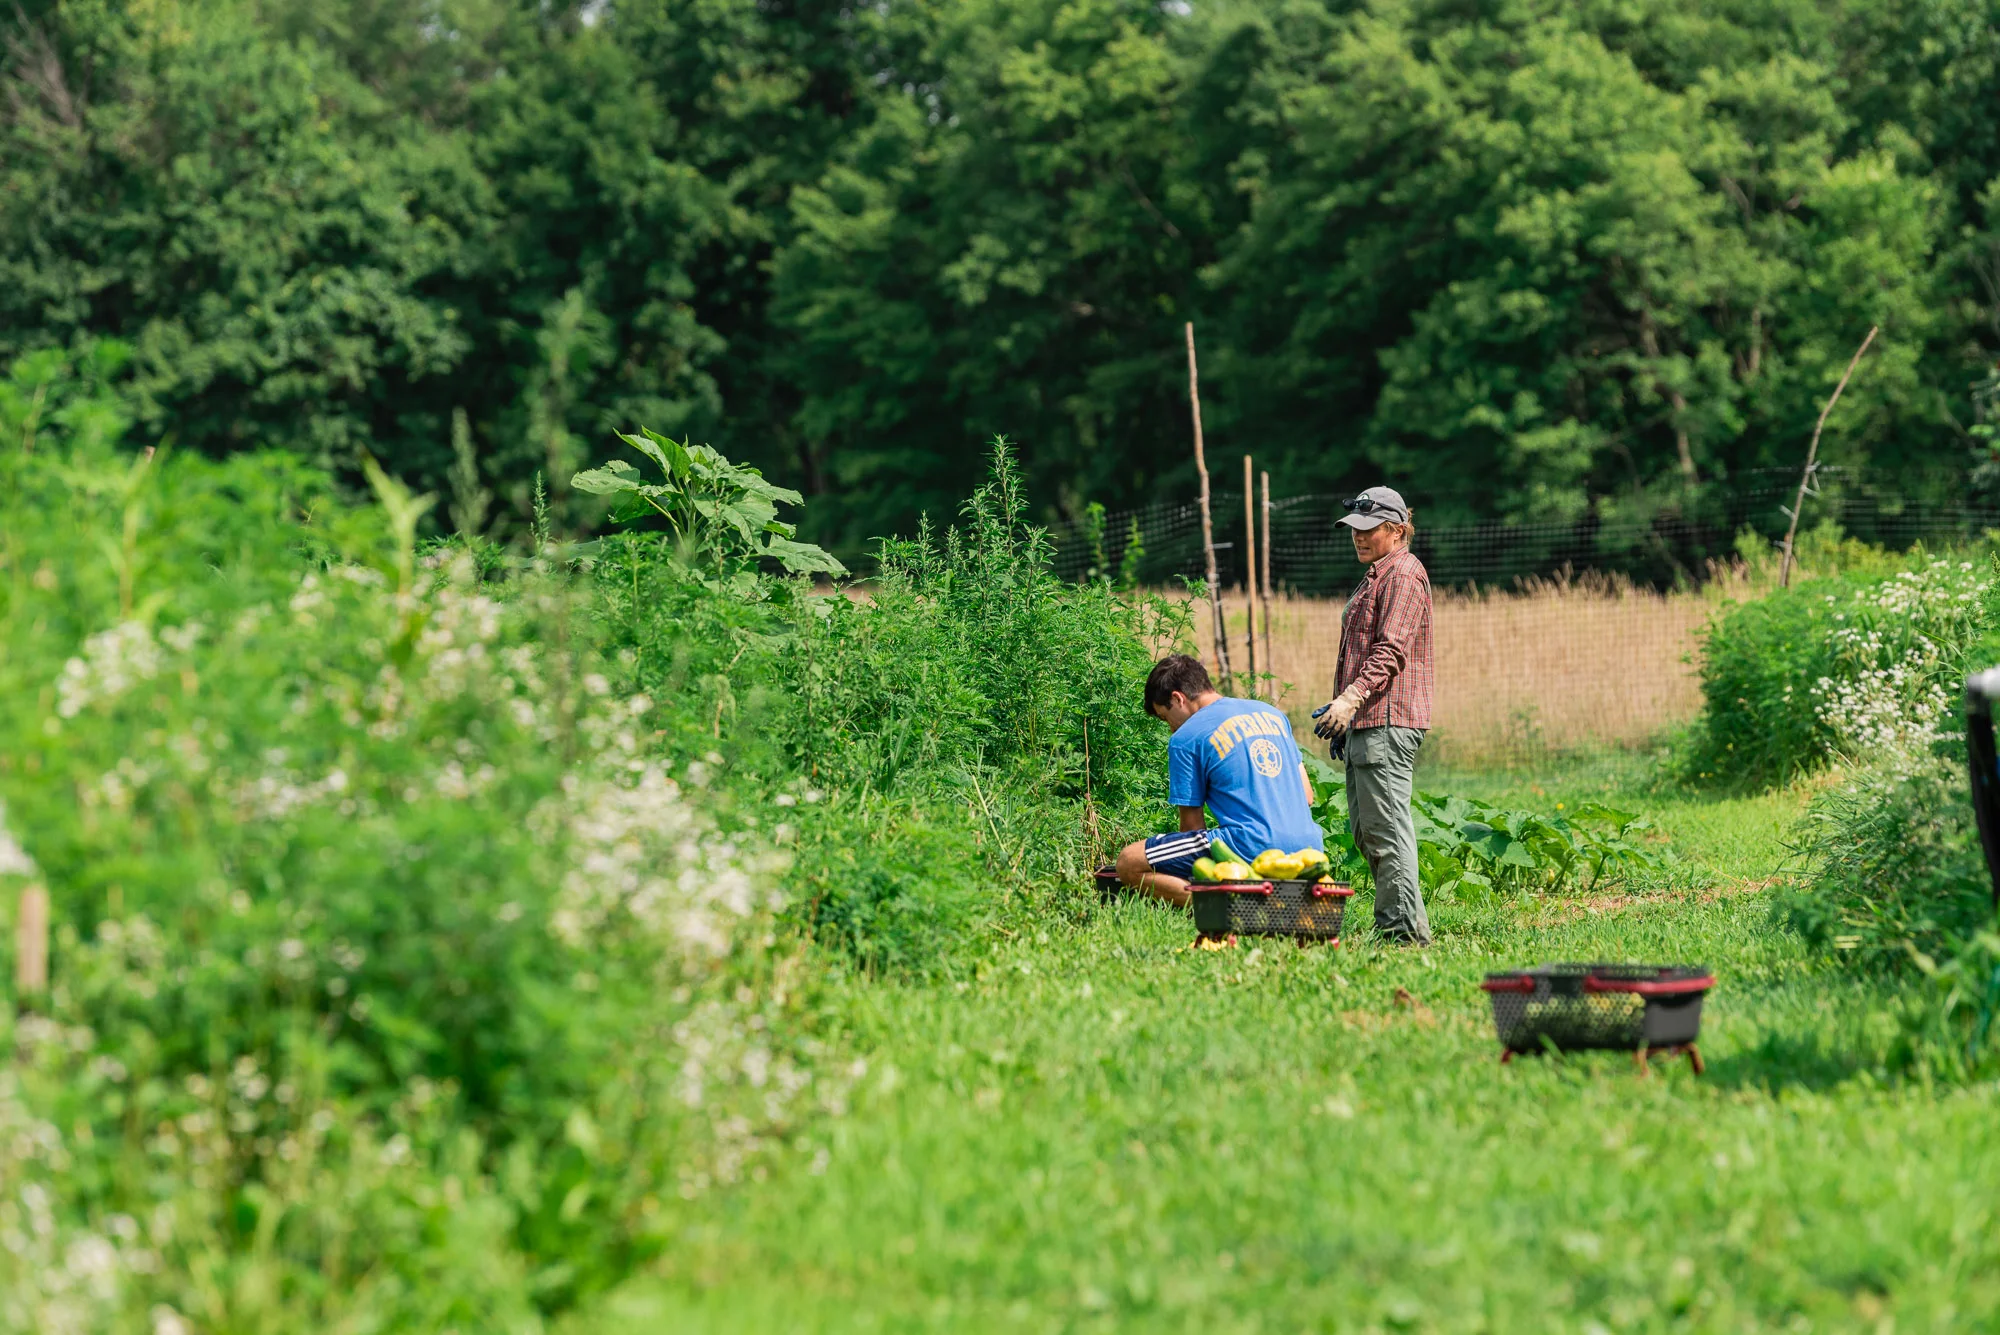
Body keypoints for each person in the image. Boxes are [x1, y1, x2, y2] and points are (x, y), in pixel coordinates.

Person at [1313, 485, 1434, 945]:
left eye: (1369, 529)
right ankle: (1403, 926)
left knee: (1386, 831)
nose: (1358, 537)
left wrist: (1351, 699)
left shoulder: (1403, 574)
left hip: (1387, 718)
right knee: (1368, 831)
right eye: (1353, 529)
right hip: (1368, 718)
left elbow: (1391, 650)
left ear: (1396, 529)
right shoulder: (1377, 575)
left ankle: (1401, 934)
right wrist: (1345, 710)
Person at [1116, 653, 1326, 907]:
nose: (1171, 727)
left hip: (1249, 847)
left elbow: (1193, 828)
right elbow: (1306, 795)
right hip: (1309, 849)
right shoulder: (1273, 715)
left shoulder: (1185, 738)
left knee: (1128, 862)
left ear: (1177, 698)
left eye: (1165, 717)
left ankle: (1223, 906)